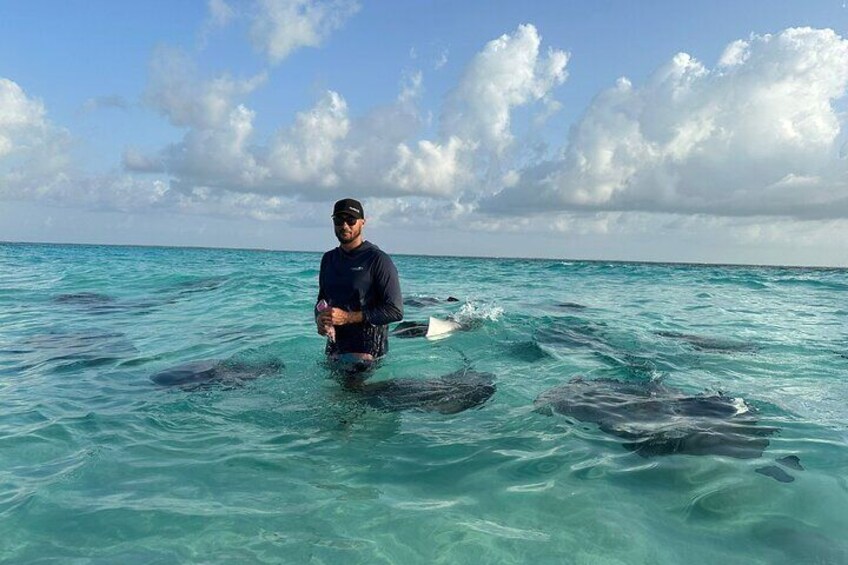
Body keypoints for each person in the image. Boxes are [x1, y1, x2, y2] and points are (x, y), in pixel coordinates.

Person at [315, 198, 403, 365]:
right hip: (334, 352)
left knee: (352, 391)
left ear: (362, 222)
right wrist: (320, 320)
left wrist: (348, 317)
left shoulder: (378, 259)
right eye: (339, 220)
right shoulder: (328, 259)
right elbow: (321, 301)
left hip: (366, 356)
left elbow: (395, 310)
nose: (345, 225)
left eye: (351, 220)